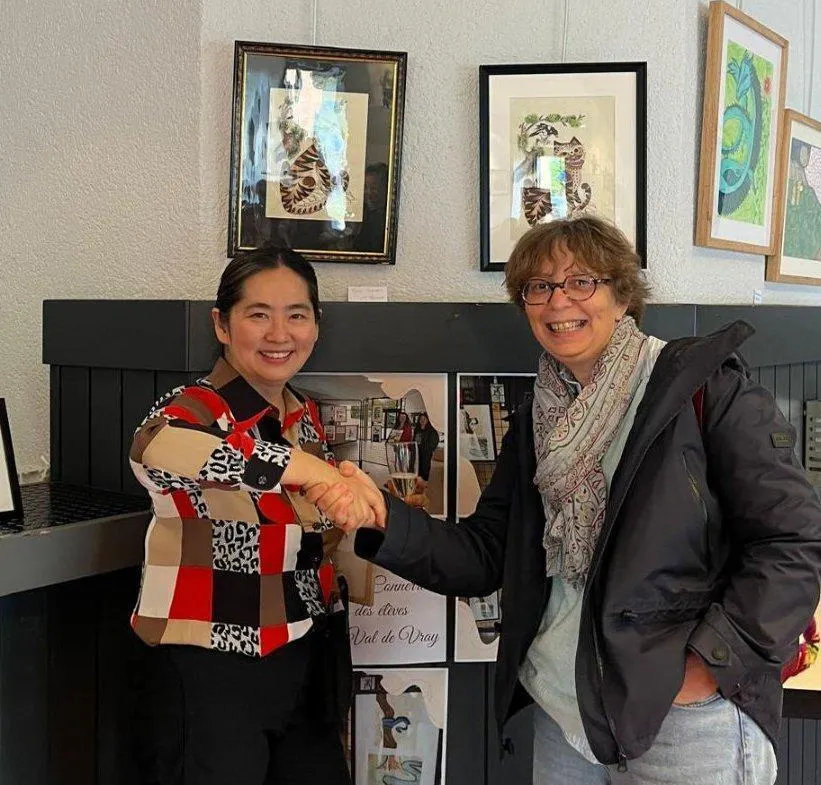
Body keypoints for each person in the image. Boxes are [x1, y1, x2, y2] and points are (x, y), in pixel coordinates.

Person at [308, 216, 821, 785]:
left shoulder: (704, 389)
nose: (559, 301)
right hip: (565, 707)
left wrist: (708, 666)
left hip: (684, 718)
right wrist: (383, 516)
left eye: (582, 282)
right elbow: (486, 553)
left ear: (622, 294)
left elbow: (793, 541)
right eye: (540, 286)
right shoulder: (538, 418)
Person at [128, 244, 385, 785]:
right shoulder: (195, 407)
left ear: (316, 324)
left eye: (297, 315)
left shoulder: (301, 413)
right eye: (258, 314)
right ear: (222, 325)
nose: (279, 334)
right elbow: (154, 447)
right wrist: (307, 470)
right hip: (212, 661)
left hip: (302, 652)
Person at [413, 412, 439, 485]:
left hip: (426, 454)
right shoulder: (417, 429)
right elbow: (414, 440)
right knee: (416, 468)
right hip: (417, 453)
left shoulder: (432, 431)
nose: (422, 420)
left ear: (427, 420)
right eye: (421, 419)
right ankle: (417, 484)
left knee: (424, 469)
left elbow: (434, 442)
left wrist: (428, 449)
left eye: (424, 419)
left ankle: (424, 484)